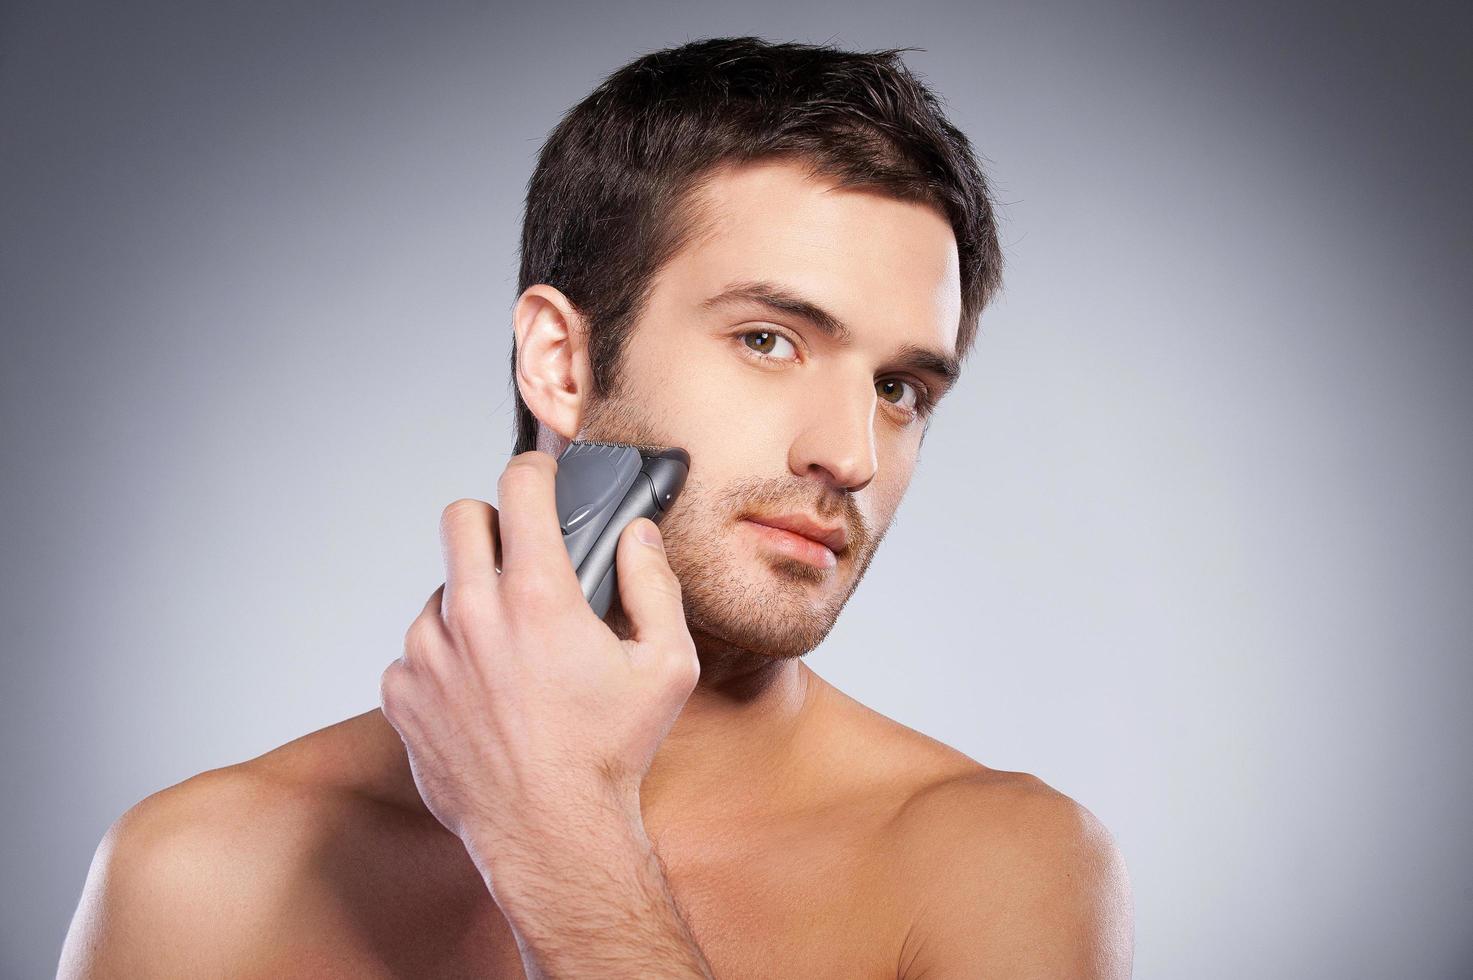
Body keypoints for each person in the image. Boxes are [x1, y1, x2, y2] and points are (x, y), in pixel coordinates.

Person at [59, 35, 1133, 978]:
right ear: (561, 362)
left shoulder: (1000, 869)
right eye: (768, 338)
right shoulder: (197, 874)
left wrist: (565, 852)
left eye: (899, 389)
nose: (850, 453)